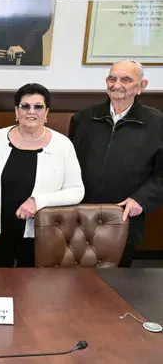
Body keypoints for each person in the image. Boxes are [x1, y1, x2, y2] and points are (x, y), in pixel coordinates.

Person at [69, 60, 163, 267]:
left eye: (126, 79)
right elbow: (69, 164)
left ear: (142, 86)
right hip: (80, 211)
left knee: (116, 281)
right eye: (112, 78)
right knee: (74, 277)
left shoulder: (157, 124)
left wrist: (141, 200)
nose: (116, 84)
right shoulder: (83, 118)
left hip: (125, 215)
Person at [0, 83, 84, 267]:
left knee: (32, 289)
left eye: (38, 107)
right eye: (25, 106)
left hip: (41, 235)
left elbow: (77, 191)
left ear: (46, 112)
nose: (31, 112)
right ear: (16, 111)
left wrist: (38, 201)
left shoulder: (62, 145)